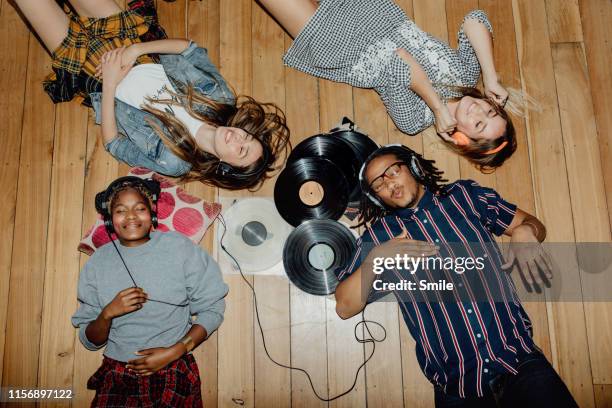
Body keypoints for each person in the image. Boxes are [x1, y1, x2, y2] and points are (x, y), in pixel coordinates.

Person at [334, 145, 578, 407]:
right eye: (378, 184)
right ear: (375, 198)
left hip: (520, 364)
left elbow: (533, 226)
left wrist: (524, 231)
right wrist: (376, 259)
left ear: (413, 167)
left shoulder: (465, 196)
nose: (388, 183)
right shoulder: (378, 239)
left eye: (392, 171)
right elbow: (345, 307)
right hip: (457, 390)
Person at [12, 0, 290, 189]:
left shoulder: (175, 162)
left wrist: (109, 85)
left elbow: (114, 144)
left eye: (241, 150)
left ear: (227, 168)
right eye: (247, 137)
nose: (238, 138)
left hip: (94, 71)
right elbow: (189, 49)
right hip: (128, 40)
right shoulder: (221, 97)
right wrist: (135, 50)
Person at [258, 0, 524, 170]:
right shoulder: (466, 76)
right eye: (491, 111)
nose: (479, 111)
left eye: (479, 124)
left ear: (462, 139)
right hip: (368, 9)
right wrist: (490, 76)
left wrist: (437, 107)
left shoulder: (413, 120)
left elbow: (398, 61)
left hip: (340, 43)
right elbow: (474, 19)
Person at [72, 177, 228, 407]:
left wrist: (176, 351)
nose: (131, 216)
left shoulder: (179, 248)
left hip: (173, 369)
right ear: (109, 219)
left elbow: (212, 308)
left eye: (140, 208)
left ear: (152, 212)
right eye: (120, 210)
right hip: (117, 375)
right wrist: (107, 314)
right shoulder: (97, 263)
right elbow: (89, 339)